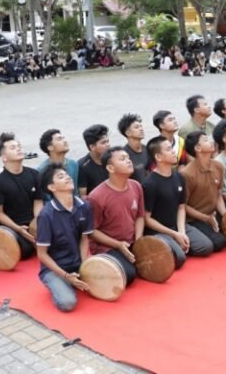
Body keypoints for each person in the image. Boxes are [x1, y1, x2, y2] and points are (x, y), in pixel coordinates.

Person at [143, 136, 214, 265]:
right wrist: (174, 234)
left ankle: (178, 244)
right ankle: (172, 246)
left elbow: (181, 207)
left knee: (206, 247)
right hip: (159, 231)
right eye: (169, 149)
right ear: (158, 157)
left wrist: (181, 232)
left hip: (177, 225)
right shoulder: (150, 184)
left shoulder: (179, 177)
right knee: (180, 259)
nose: (174, 151)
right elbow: (147, 219)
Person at [35, 163, 93, 312]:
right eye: (61, 176)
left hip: (76, 262)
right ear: (52, 187)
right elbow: (41, 254)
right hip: (54, 268)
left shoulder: (84, 206)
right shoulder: (46, 215)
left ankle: (71, 280)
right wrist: (66, 276)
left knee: (106, 281)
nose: (67, 177)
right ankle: (56, 282)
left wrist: (85, 266)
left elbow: (84, 239)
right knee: (68, 303)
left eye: (67, 175)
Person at [86, 147, 141, 284]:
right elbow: (92, 231)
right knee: (128, 275)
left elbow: (140, 217)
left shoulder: (136, 186)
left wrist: (140, 242)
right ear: (110, 168)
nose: (129, 161)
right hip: (107, 246)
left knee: (170, 259)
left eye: (128, 158)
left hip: (131, 241)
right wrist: (118, 244)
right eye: (122, 159)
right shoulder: (96, 196)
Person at [0, 133, 43, 260]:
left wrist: (37, 221)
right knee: (24, 249)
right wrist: (18, 229)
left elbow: (38, 202)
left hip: (33, 223)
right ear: (4, 157)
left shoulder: (34, 174)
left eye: (19, 146)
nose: (19, 149)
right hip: (12, 227)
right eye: (13, 148)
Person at [181, 131, 226, 252]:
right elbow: (183, 206)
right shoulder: (187, 174)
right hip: (195, 219)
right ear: (197, 148)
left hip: (213, 215)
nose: (211, 141)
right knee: (218, 243)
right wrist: (205, 218)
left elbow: (218, 195)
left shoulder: (219, 166)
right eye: (206, 140)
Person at [38, 129, 79, 200]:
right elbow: (46, 198)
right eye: (59, 139)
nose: (65, 141)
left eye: (63, 138)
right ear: (50, 147)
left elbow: (75, 192)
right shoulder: (41, 170)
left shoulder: (73, 164)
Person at [77, 124, 110, 198]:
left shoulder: (112, 159)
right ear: (92, 147)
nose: (108, 145)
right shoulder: (82, 166)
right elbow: (83, 196)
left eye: (108, 141)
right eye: (103, 143)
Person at [118, 114, 150, 183]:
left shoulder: (147, 149)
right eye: (136, 127)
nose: (141, 129)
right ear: (128, 133)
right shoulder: (123, 154)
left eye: (141, 126)